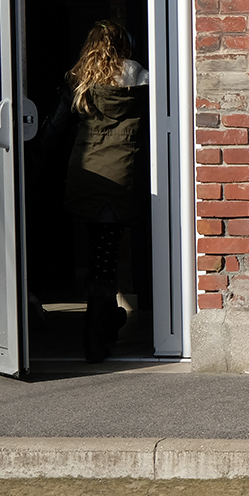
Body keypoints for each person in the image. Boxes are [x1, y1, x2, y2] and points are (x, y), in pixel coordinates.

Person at [60, 21, 149, 362]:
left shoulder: (79, 80)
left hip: (88, 177)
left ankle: (99, 329)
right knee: (104, 258)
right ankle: (98, 333)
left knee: (99, 259)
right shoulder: (139, 78)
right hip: (123, 174)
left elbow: (56, 127)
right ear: (123, 45)